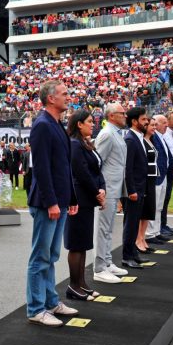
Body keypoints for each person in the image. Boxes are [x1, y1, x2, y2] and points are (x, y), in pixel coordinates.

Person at [27, 80, 79, 327]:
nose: (68, 97)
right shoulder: (42, 125)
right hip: (47, 202)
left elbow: (64, 167)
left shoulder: (56, 124)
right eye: (64, 94)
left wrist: (70, 199)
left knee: (52, 255)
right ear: (50, 98)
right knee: (40, 257)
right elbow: (42, 168)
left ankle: (50, 302)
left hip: (59, 200)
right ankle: (36, 308)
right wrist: (51, 203)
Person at [64, 110, 106, 301]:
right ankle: (73, 285)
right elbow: (81, 173)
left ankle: (81, 283)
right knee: (76, 244)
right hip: (79, 199)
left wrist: (102, 188)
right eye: (90, 121)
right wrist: (97, 193)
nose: (93, 124)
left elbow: (97, 169)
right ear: (79, 124)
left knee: (82, 244)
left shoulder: (86, 143)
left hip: (89, 198)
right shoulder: (74, 144)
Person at [93, 102, 129, 284]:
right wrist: (100, 188)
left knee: (108, 229)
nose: (125, 116)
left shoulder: (115, 133)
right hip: (106, 187)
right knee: (103, 229)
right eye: (122, 113)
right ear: (112, 115)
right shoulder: (107, 134)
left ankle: (106, 262)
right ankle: (99, 268)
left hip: (114, 187)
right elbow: (97, 162)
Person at [122, 107, 150, 269]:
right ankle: (127, 256)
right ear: (134, 121)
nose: (146, 122)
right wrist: (131, 190)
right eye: (144, 119)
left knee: (134, 224)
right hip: (133, 190)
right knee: (131, 224)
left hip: (140, 188)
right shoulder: (131, 139)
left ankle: (133, 253)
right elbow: (128, 168)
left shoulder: (138, 137)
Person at [146, 115, 173, 244]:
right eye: (163, 123)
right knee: (154, 205)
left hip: (163, 176)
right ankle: (149, 233)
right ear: (156, 124)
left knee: (159, 206)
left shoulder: (161, 136)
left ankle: (156, 231)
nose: (166, 125)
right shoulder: (153, 136)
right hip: (156, 176)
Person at [135, 117, 158, 254]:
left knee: (148, 211)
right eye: (152, 125)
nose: (154, 127)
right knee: (142, 211)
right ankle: (138, 239)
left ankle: (143, 237)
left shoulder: (151, 141)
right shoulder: (142, 141)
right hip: (145, 179)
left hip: (152, 178)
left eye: (156, 125)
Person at [161, 111, 173, 236]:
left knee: (167, 198)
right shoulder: (164, 135)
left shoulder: (172, 134)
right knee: (163, 199)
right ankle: (160, 225)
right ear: (167, 121)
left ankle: (163, 224)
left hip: (171, 169)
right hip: (165, 170)